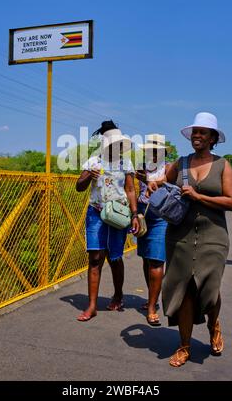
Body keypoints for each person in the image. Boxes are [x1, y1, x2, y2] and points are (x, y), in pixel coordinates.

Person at [147, 112, 232, 367]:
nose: (197, 136)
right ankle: (184, 346)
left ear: (212, 138)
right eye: (195, 132)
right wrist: (155, 185)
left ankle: (213, 324)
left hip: (213, 236)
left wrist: (199, 198)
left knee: (208, 289)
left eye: (203, 132)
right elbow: (163, 182)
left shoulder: (223, 165)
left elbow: (231, 201)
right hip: (180, 236)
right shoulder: (182, 163)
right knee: (184, 290)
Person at [76, 120, 139, 321]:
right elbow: (79, 186)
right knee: (95, 258)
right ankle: (92, 305)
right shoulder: (93, 162)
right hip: (96, 213)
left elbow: (130, 190)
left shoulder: (126, 164)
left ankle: (118, 294)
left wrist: (135, 214)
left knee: (114, 258)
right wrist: (88, 176)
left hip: (118, 215)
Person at [135, 134, 170, 326]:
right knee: (146, 258)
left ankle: (151, 308)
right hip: (142, 215)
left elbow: (167, 183)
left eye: (156, 150)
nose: (152, 153)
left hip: (160, 216)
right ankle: (152, 298)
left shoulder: (168, 168)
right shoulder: (141, 166)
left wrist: (149, 181)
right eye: (149, 150)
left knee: (157, 260)